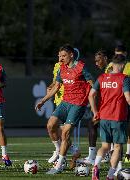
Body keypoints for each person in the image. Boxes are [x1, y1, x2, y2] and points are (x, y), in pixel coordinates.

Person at [35, 44, 94, 174]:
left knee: (66, 132)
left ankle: (58, 166)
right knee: (51, 125)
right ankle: (58, 149)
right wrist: (43, 101)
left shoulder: (81, 67)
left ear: (71, 55)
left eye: (63, 56)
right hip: (65, 102)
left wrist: (93, 98)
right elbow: (56, 87)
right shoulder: (61, 68)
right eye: (59, 56)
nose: (60, 58)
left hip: (78, 104)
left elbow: (92, 83)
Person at [89, 55, 130, 180]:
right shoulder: (124, 78)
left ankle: (96, 166)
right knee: (117, 146)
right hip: (118, 117)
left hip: (104, 116)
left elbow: (91, 95)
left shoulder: (102, 77)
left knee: (105, 146)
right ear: (123, 64)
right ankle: (110, 175)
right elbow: (128, 97)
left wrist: (95, 110)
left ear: (112, 64)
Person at [83, 49, 110, 164]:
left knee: (93, 124)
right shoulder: (107, 70)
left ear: (105, 59)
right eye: (95, 61)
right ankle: (108, 154)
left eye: (98, 60)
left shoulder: (110, 70)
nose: (96, 63)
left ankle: (93, 156)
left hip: (109, 106)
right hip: (108, 105)